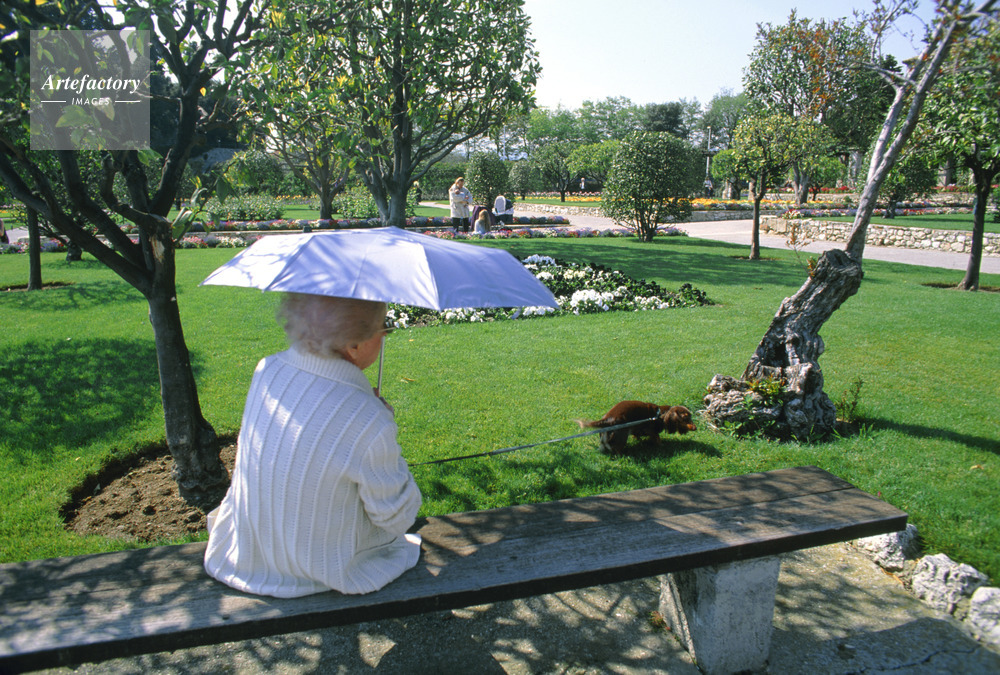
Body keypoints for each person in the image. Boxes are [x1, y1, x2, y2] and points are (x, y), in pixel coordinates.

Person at [204, 293, 422, 598]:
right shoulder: (368, 418)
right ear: (354, 344)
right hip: (317, 570)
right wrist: (384, 424)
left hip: (246, 554)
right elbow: (397, 517)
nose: (386, 335)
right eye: (383, 326)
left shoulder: (268, 369)